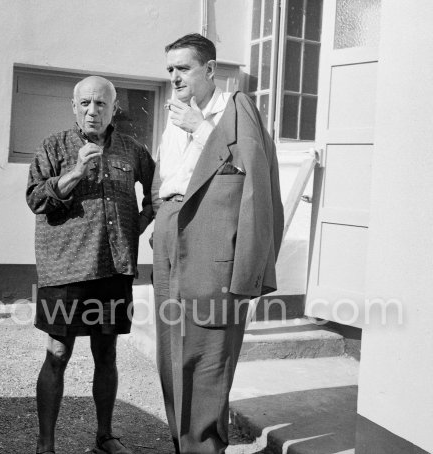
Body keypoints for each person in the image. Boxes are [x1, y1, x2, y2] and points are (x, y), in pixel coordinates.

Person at [151, 34, 284, 453]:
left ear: (210, 70)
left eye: (183, 68)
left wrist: (202, 129)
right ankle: (184, 444)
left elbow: (253, 173)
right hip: (171, 235)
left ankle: (205, 448)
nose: (174, 77)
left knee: (209, 355)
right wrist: (161, 220)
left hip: (212, 242)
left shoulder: (235, 109)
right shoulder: (173, 115)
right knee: (171, 353)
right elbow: (166, 178)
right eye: (170, 69)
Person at [26, 76, 155, 454]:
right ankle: (45, 445)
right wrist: (76, 173)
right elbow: (36, 199)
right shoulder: (54, 146)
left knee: (107, 354)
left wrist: (139, 224)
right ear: (73, 106)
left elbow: (158, 190)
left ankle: (105, 436)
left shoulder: (132, 150)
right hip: (65, 269)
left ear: (114, 108)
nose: (92, 111)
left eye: (100, 104)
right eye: (84, 103)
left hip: (114, 268)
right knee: (58, 354)